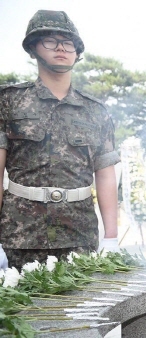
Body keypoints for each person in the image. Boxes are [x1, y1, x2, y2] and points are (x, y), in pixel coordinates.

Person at [0, 10, 120, 270]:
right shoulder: (8, 101)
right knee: (20, 308)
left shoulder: (95, 110)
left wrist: (111, 238)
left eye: (68, 43)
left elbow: (106, 175)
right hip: (20, 235)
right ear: (33, 47)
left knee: (81, 307)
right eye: (51, 41)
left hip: (80, 235)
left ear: (77, 52)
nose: (61, 49)